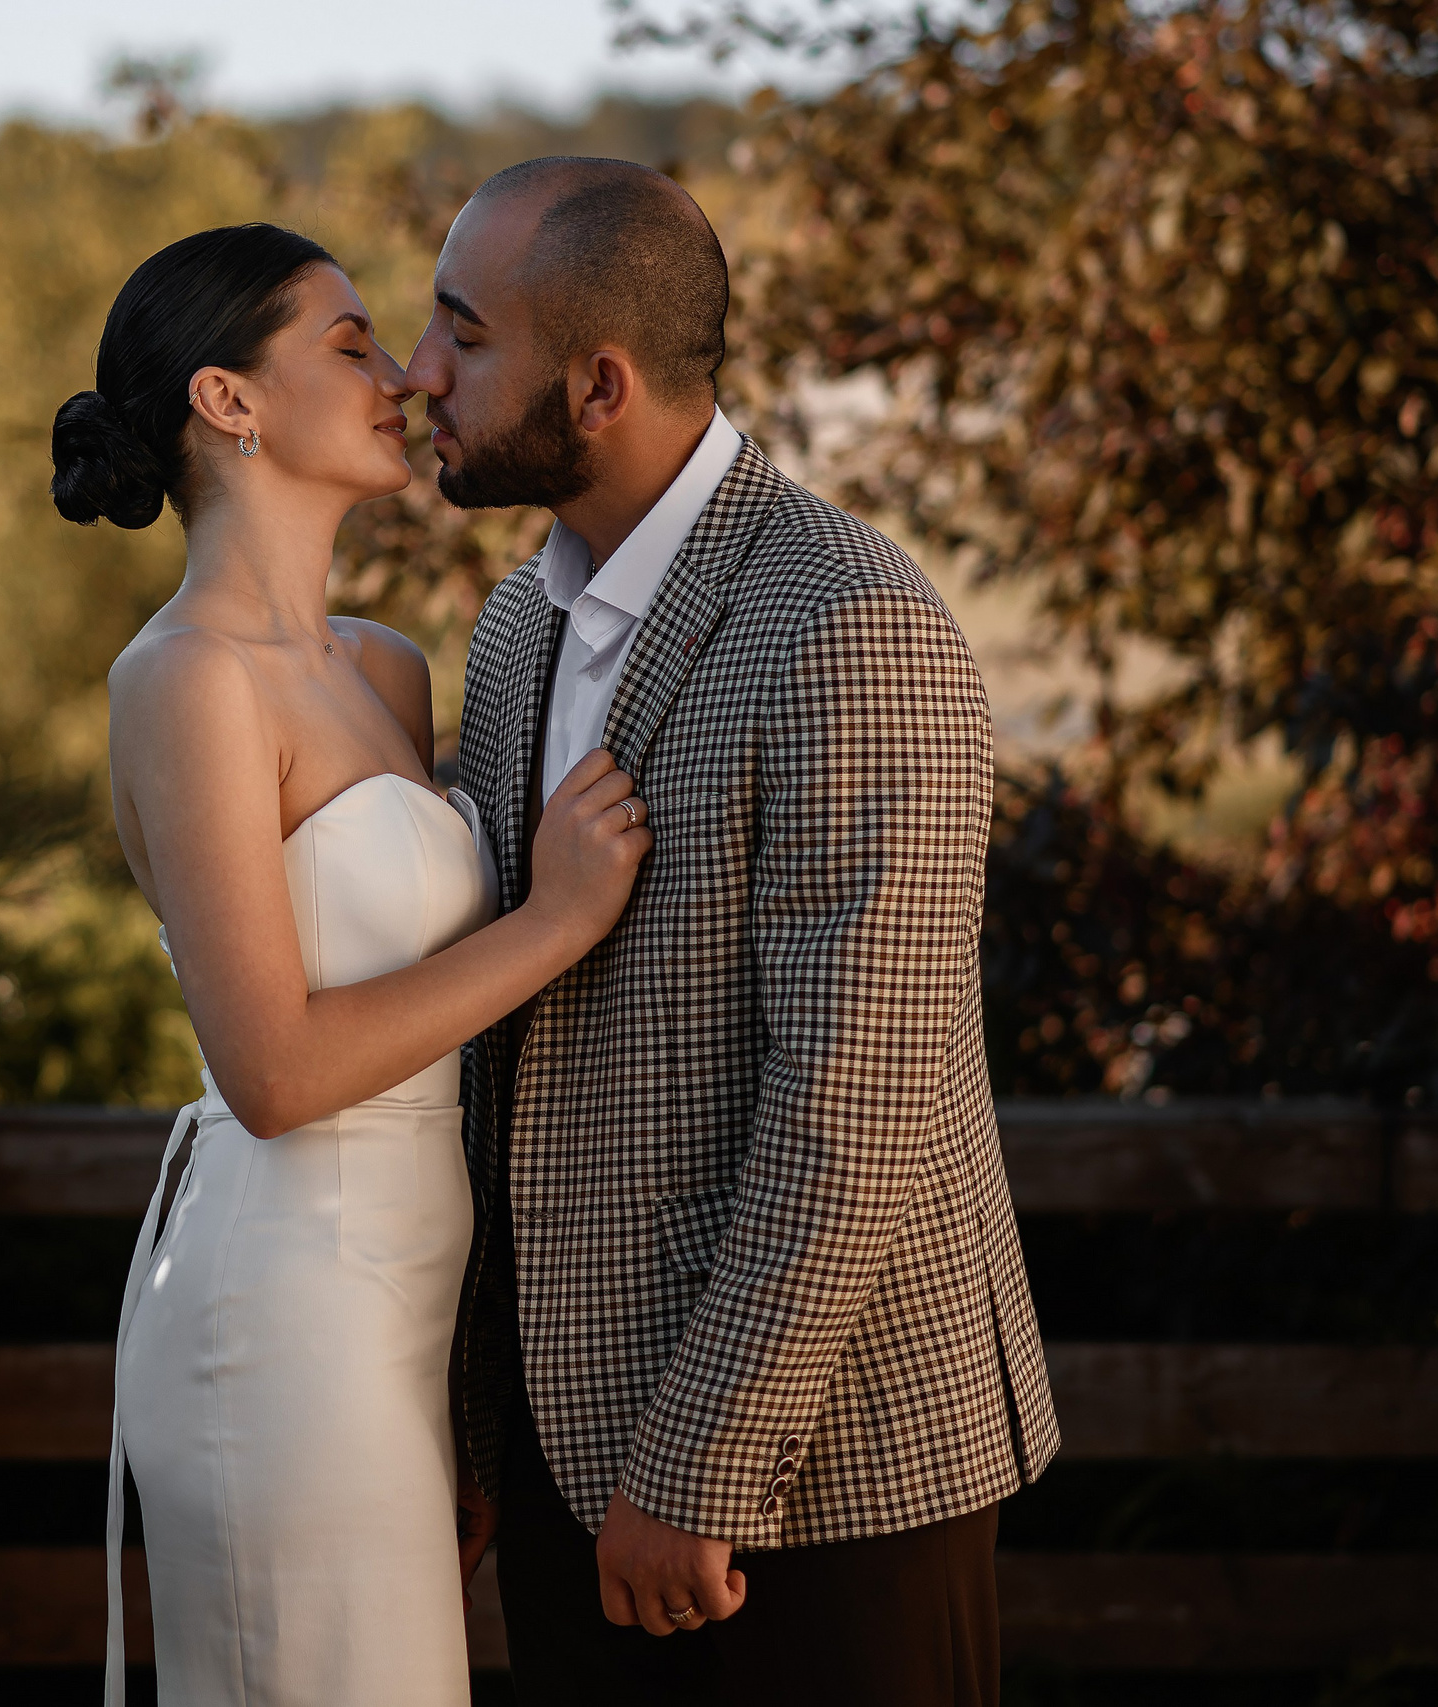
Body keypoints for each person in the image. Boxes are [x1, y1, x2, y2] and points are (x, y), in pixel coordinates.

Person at [414, 159, 1060, 1706]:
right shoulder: (519, 628)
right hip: (568, 1473)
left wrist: (701, 1462)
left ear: (600, 382)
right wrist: (482, 1428)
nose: (419, 373)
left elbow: (860, 1100)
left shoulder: (854, 628)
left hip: (820, 1481)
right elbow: (520, 1067)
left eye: (463, 334)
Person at [52, 222, 651, 1707]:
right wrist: (558, 921)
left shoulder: (384, 664)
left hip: (405, 1321)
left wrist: (464, 1400)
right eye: (347, 344)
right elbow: (274, 1070)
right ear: (226, 401)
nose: (402, 376)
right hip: (283, 1322)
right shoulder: (182, 682)